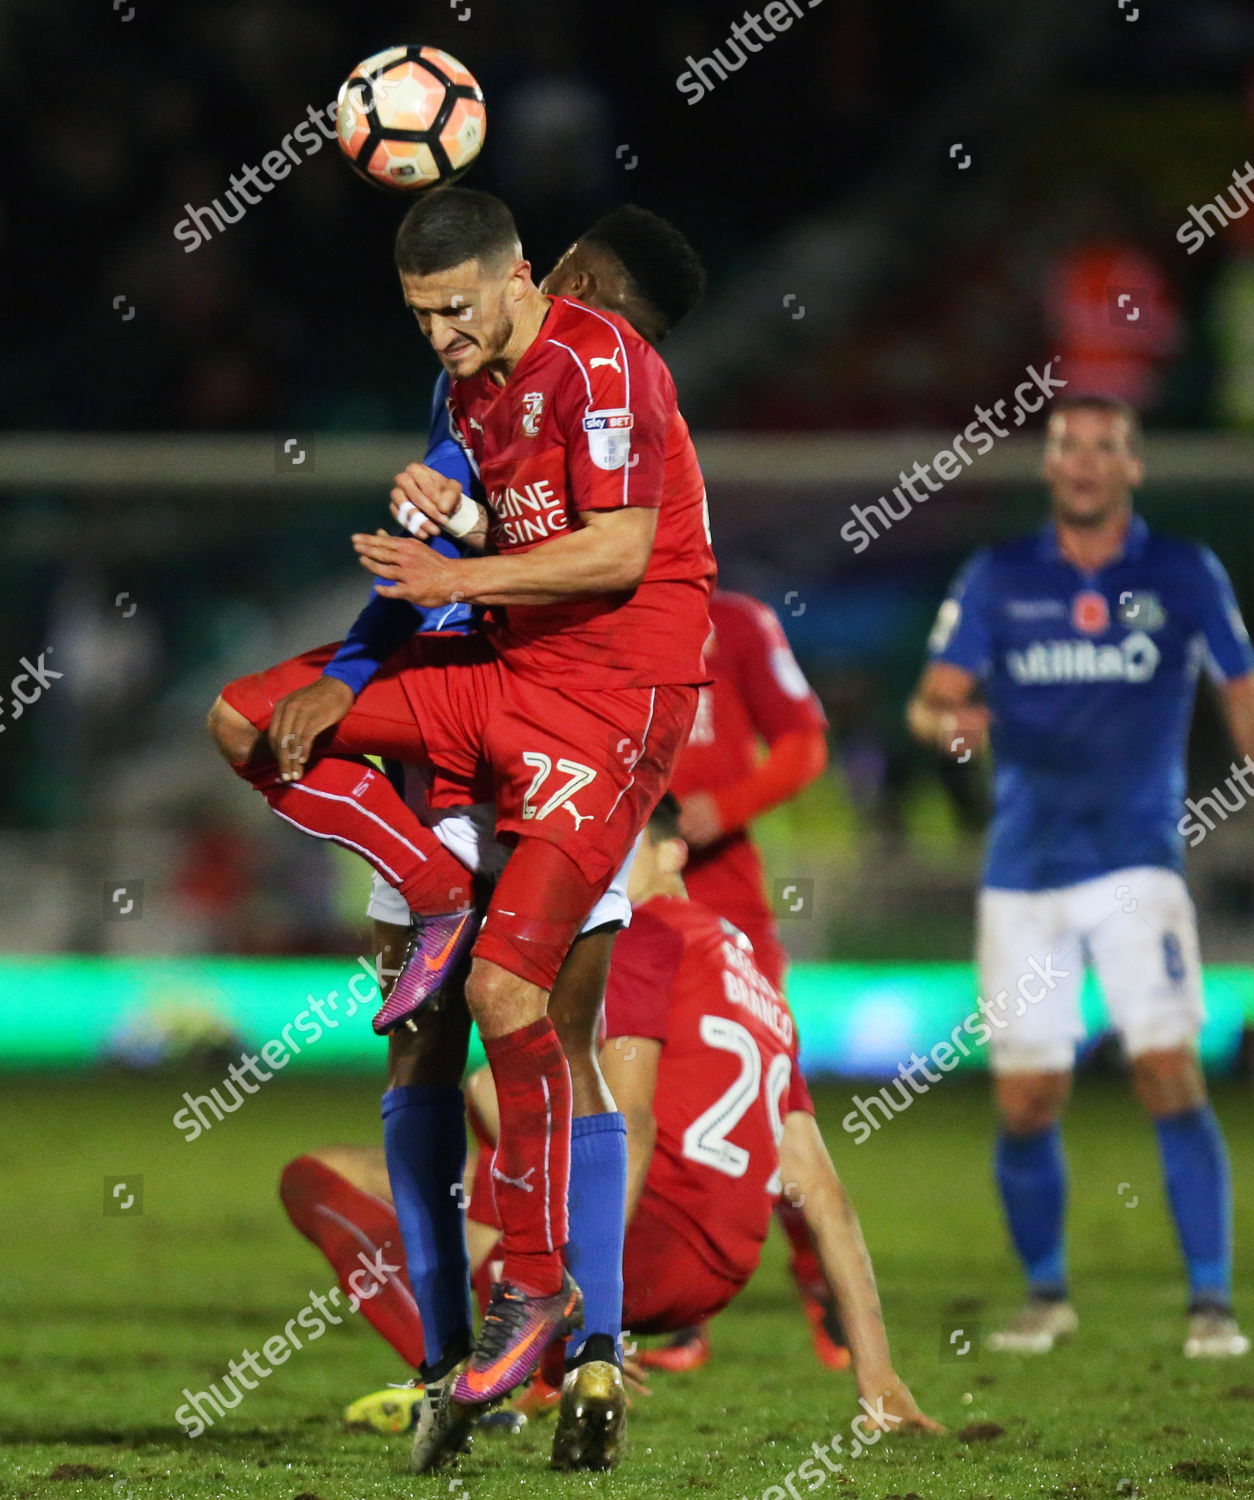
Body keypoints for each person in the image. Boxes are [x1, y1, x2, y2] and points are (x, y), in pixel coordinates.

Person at [208, 189, 716, 1466]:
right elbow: (426, 542)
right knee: (249, 732)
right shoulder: (467, 389)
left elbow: (615, 555)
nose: (440, 333)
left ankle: (570, 1323)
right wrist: (360, 662)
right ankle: (456, 1359)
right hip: (466, 697)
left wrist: (457, 570)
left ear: (534, 278)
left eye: (456, 307)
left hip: (592, 715)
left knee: (523, 1013)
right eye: (420, 314)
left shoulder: (612, 374)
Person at [280, 796, 943, 1465]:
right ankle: (533, 1354)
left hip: (641, 1249)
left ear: (667, 851)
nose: (598, 870)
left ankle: (475, 1376)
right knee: (511, 1124)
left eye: (618, 852)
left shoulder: (643, 935)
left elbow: (629, 1123)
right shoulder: (758, 984)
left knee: (319, 1179)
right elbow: (822, 1193)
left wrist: (595, 1315)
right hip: (719, 1271)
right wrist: (879, 1380)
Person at [907, 394, 1253, 1358]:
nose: (1088, 462)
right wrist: (954, 727)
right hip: (1024, 873)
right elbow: (932, 705)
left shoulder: (1184, 572)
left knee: (1168, 1071)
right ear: (1051, 466)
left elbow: (1240, 686)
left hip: (1138, 866)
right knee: (1027, 1097)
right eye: (1070, 447)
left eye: (1107, 446)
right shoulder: (1000, 575)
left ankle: (1212, 1304)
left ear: (1134, 467)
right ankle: (1047, 1294)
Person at [646, 589, 835, 1373]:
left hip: (726, 903)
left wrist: (726, 807)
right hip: (616, 902)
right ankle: (667, 1307)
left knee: (776, 1097)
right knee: (627, 1101)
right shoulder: (583, 611)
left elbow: (803, 743)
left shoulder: (739, 624)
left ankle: (821, 1282)